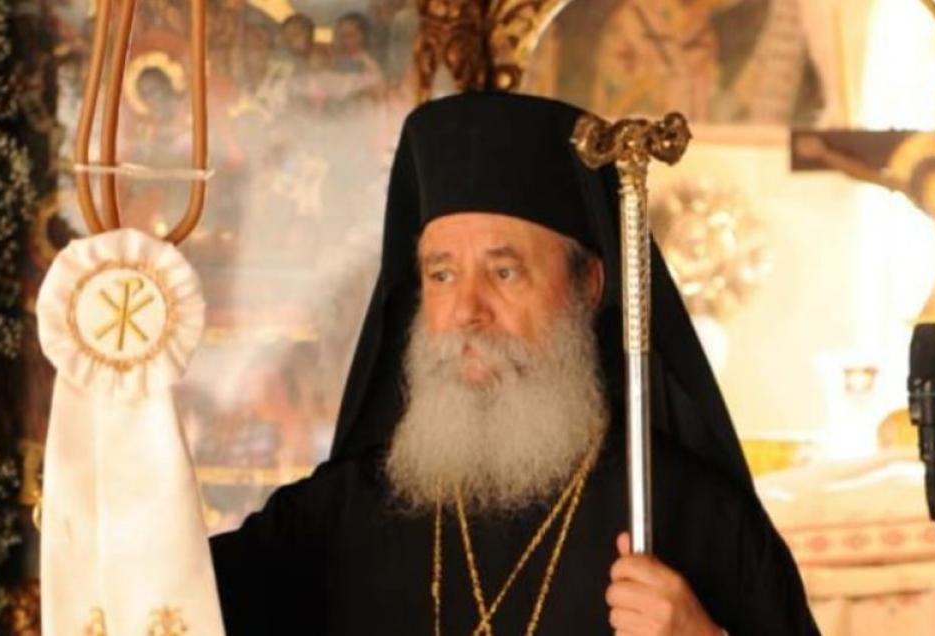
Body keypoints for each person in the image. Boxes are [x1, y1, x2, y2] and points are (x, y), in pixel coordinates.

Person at [209, 91, 819, 635]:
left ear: (589, 286)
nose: (466, 311)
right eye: (441, 275)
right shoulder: (340, 517)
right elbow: (168, 602)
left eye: (504, 272)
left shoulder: (694, 519)